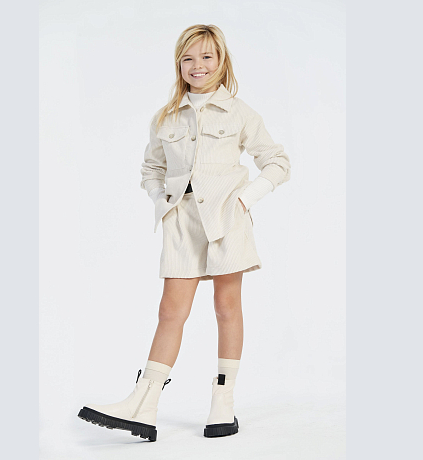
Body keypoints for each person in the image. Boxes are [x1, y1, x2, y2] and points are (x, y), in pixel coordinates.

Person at [78, 24, 291, 442]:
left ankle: (223, 402)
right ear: (179, 64)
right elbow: (151, 168)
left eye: (207, 56)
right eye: (188, 58)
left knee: (227, 307)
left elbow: (277, 162)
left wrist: (244, 199)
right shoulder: (166, 116)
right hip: (181, 221)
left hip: (227, 220)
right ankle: (144, 402)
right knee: (170, 311)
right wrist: (162, 203)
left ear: (221, 61)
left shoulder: (240, 112)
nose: (198, 66)